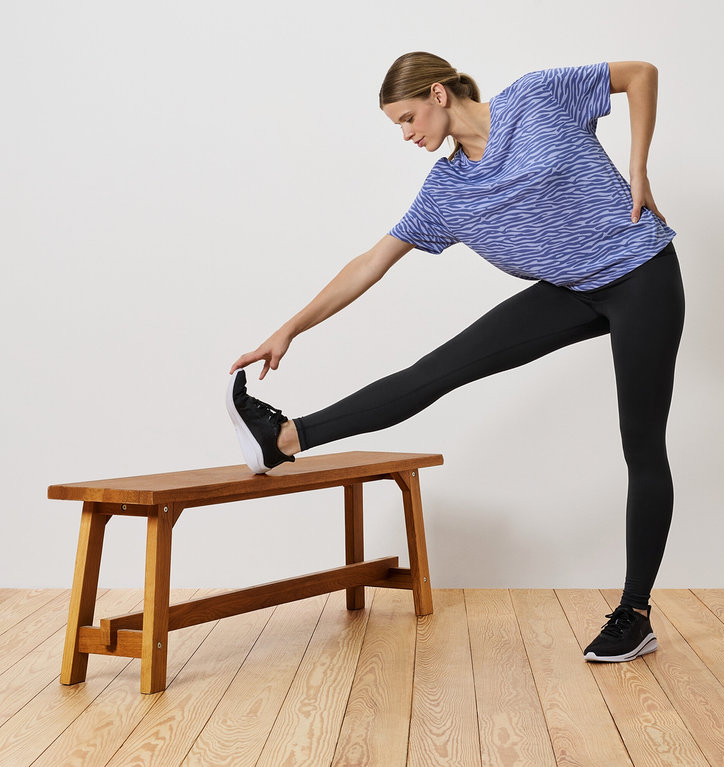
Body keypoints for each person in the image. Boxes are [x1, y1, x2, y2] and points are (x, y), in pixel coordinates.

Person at [227, 51, 685, 664]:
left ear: (439, 94)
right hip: (571, 291)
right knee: (438, 370)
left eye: (407, 118)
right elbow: (371, 261)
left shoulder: (536, 97)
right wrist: (290, 329)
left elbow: (640, 75)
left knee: (641, 442)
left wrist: (638, 168)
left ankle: (634, 614)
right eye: (398, 126)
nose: (407, 134)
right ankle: (283, 439)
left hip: (642, 275)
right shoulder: (447, 192)